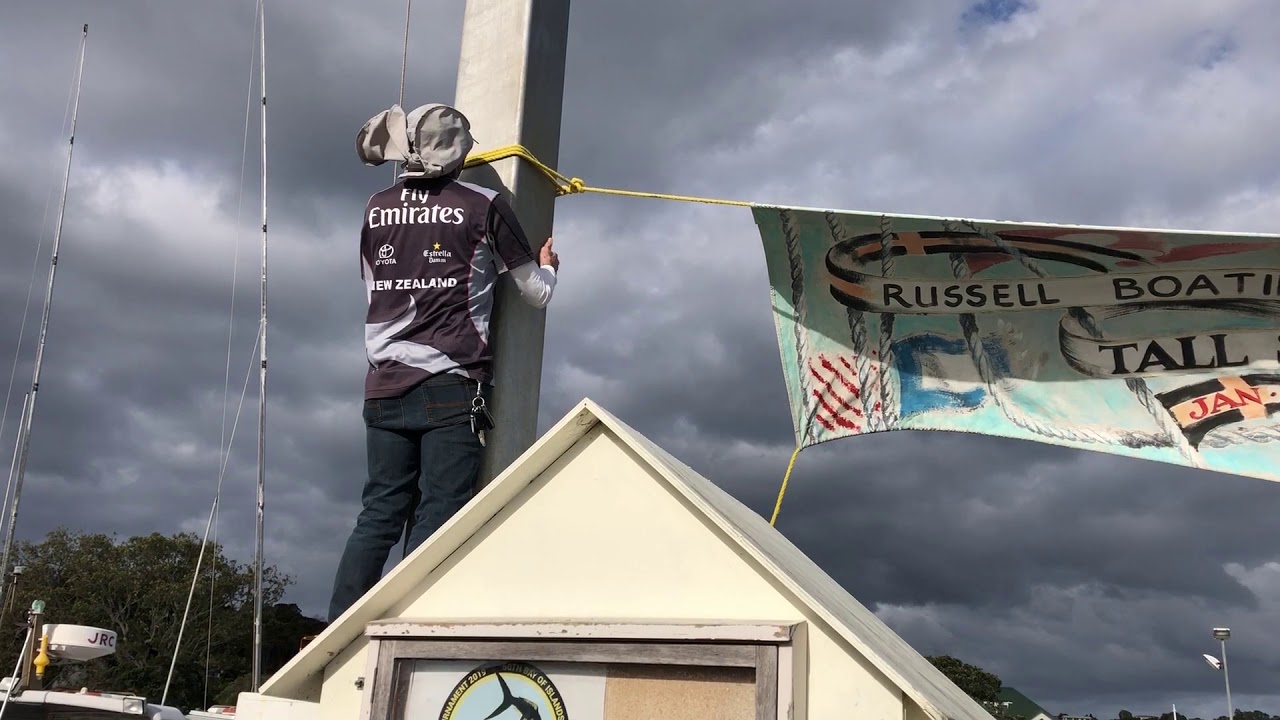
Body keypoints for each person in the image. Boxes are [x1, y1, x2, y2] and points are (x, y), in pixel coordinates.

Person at [327, 103, 560, 621]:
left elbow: (370, 282)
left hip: (384, 383)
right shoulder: (484, 204)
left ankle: (336, 633)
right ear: (459, 152)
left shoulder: (376, 205)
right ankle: (407, 629)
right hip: (452, 384)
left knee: (380, 514)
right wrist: (549, 267)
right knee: (440, 513)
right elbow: (536, 294)